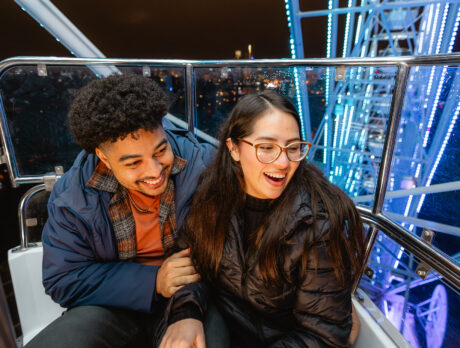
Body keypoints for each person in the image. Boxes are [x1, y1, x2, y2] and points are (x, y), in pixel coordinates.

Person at [26, 74, 226, 348]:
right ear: (104, 157)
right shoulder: (72, 198)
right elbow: (63, 278)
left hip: (191, 296)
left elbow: (221, 252)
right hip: (113, 305)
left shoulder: (202, 168)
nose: (154, 172)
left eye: (160, 150)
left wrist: (186, 310)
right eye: (134, 163)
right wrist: (153, 281)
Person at [164, 90, 364, 347]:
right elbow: (190, 262)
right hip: (224, 325)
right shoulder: (213, 194)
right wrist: (186, 313)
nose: (283, 162)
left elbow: (322, 334)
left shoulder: (318, 225)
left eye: (293, 148)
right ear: (233, 149)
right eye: (267, 147)